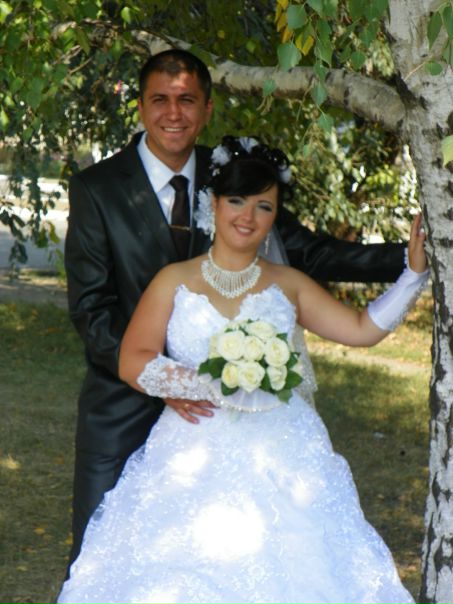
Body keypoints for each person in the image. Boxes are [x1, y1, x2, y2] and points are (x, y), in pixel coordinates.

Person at [64, 48, 406, 567]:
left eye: (187, 100)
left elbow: (313, 253)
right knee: (100, 560)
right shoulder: (97, 188)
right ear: (141, 106)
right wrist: (166, 379)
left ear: (207, 109)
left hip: (242, 427)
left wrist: (416, 257)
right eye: (160, 99)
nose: (173, 113)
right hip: (121, 404)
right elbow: (92, 307)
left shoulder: (236, 177)